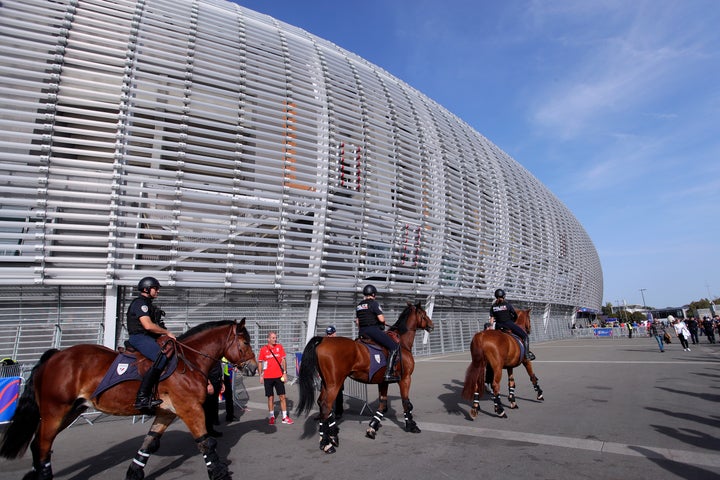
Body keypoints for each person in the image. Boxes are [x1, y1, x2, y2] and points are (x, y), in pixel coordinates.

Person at [126, 276, 176, 412]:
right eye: (155, 288)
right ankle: (142, 398)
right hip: (139, 337)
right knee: (161, 358)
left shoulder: (148, 304)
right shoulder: (140, 303)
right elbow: (147, 326)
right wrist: (167, 332)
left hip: (148, 337)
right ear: (147, 289)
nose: (157, 291)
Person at [355, 284, 400, 382]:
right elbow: (381, 318)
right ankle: (388, 373)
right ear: (373, 294)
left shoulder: (359, 305)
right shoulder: (374, 303)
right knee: (394, 347)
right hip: (373, 331)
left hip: (362, 331)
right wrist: (383, 322)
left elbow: (358, 322)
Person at [257, 331, 293, 425]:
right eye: (273, 338)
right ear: (268, 339)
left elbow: (283, 360)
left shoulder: (279, 347)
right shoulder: (263, 349)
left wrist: (284, 373)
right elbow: (260, 363)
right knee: (270, 398)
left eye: (275, 337)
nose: (275, 339)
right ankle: (272, 416)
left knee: (282, 396)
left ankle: (285, 417)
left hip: (278, 376)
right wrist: (261, 375)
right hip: (268, 377)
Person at [489, 289, 535, 360]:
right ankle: (527, 355)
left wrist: (491, 327)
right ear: (504, 296)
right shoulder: (508, 305)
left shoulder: (493, 306)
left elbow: (491, 319)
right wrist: (512, 321)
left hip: (498, 326)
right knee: (525, 337)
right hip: (509, 324)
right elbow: (515, 315)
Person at [325, 325, 344, 418]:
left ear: (335, 333)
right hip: (327, 373)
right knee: (324, 392)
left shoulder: (339, 344)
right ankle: (327, 412)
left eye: (331, 334)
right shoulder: (325, 344)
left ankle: (339, 412)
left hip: (338, 373)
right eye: (328, 334)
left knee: (338, 393)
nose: (330, 336)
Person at [203, 360, 224, 437]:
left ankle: (210, 430)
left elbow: (219, 369)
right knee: (207, 409)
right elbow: (203, 370)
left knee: (213, 407)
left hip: (217, 381)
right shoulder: (207, 353)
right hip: (210, 383)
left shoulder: (216, 354)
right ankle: (206, 432)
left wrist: (221, 382)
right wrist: (208, 383)